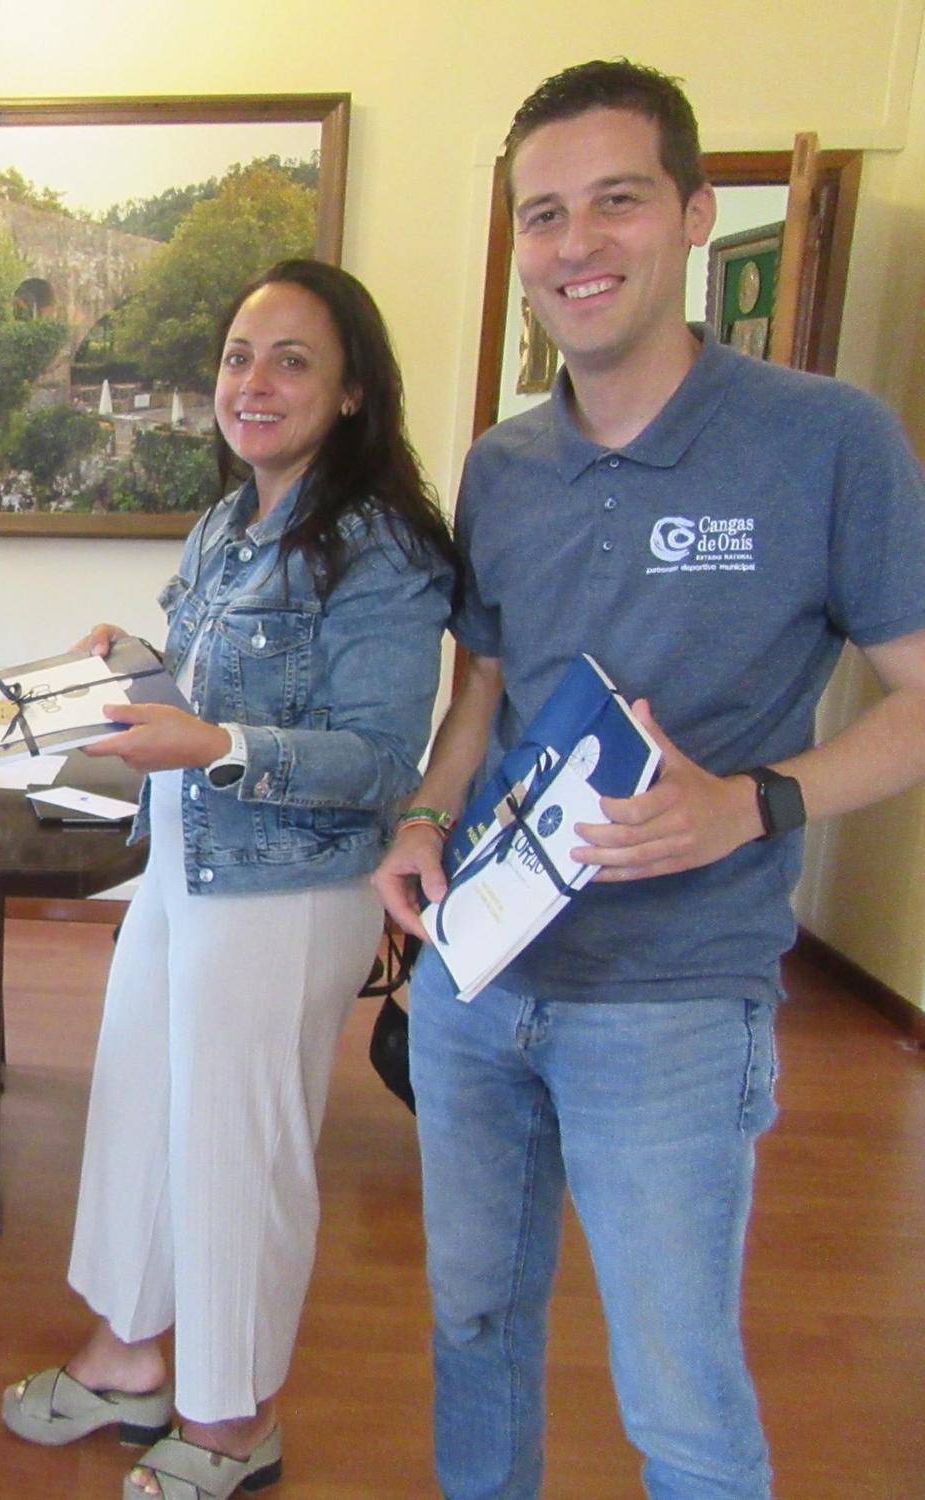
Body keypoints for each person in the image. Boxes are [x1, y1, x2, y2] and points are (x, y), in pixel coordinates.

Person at [373, 60, 925, 1500]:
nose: (577, 244)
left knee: (677, 1391)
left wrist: (756, 801)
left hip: (680, 998)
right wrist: (427, 817)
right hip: (479, 978)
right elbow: (483, 685)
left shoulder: (828, 441)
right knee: (473, 1326)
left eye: (617, 200)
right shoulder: (504, 461)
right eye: (545, 214)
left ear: (694, 214)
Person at [1, 260, 457, 1500]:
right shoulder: (225, 520)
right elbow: (208, 694)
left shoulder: (385, 547)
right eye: (236, 357)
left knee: (237, 1149)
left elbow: (374, 762)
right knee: (142, 1109)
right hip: (186, 870)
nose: (252, 384)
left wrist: (213, 745)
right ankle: (127, 1358)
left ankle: (231, 1417)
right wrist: (139, 664)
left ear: (353, 389)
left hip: (285, 890)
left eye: (291, 359)